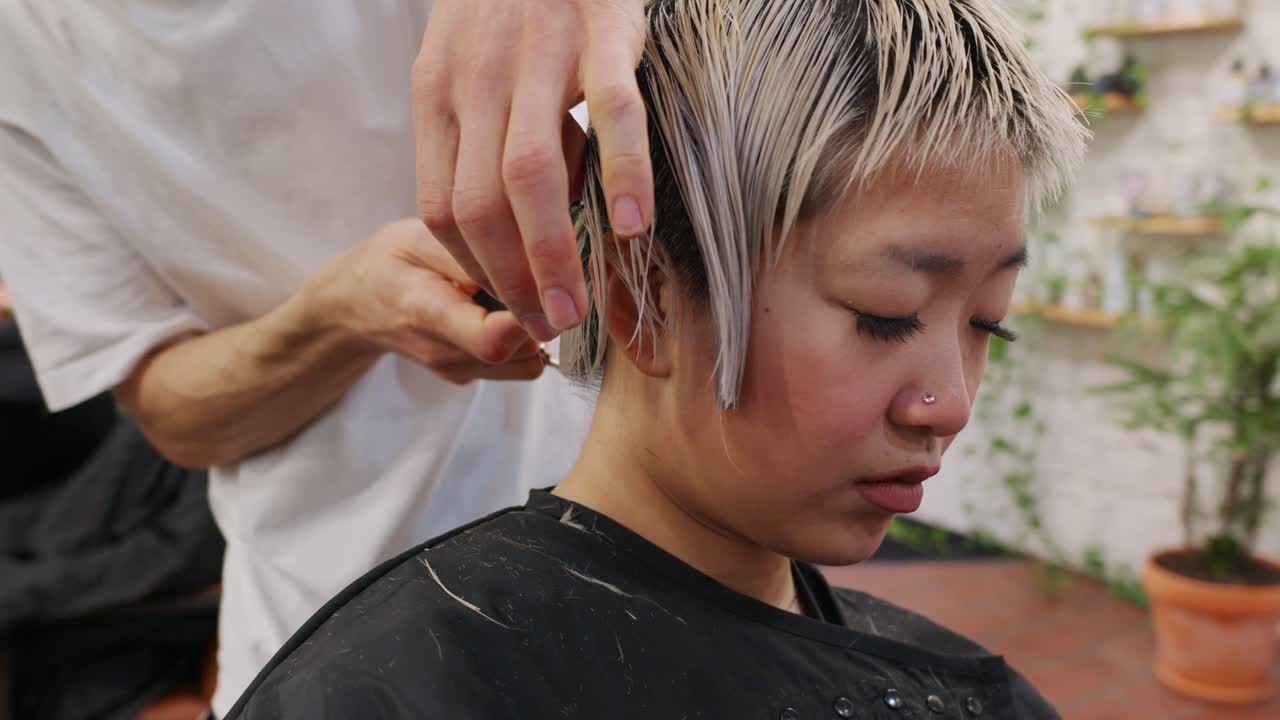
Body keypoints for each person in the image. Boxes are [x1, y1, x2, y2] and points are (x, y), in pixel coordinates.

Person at [227, 0, 1089, 717]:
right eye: (886, 316)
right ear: (647, 297)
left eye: (988, 322)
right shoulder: (404, 685)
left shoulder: (984, 695)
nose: (949, 403)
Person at [0, 3, 592, 715]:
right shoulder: (22, 51)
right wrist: (342, 312)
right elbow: (175, 415)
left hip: (626, 506)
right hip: (327, 614)